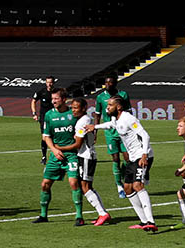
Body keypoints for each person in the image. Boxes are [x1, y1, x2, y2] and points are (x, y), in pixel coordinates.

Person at [86, 96, 157, 232]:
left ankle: (151, 221)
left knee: (137, 185)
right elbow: (110, 125)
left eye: (110, 105)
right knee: (127, 188)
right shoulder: (116, 119)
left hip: (142, 155)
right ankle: (143, 221)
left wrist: (144, 155)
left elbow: (145, 135)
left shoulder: (129, 118)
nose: (107, 108)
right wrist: (95, 127)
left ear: (118, 107)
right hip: (132, 157)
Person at [33, 88, 83, 225]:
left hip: (72, 155)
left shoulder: (73, 113)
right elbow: (46, 136)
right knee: (45, 184)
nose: (53, 101)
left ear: (64, 99)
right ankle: (43, 215)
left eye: (56, 98)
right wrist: (54, 150)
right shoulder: (49, 115)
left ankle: (79, 216)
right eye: (52, 98)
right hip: (56, 155)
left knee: (73, 183)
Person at [69, 97, 110, 226]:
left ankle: (102, 213)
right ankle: (102, 213)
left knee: (85, 186)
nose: (73, 110)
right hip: (85, 155)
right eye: (72, 108)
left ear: (83, 108)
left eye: (76, 108)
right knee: (87, 186)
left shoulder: (84, 121)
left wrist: (59, 148)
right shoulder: (83, 120)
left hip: (86, 156)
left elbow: (78, 144)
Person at [94, 75, 128, 197]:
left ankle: (123, 175)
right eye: (106, 83)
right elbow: (97, 115)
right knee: (116, 159)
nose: (108, 85)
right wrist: (95, 132)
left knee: (128, 159)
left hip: (123, 131)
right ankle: (119, 186)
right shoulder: (100, 97)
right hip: (110, 132)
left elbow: (128, 111)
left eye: (110, 83)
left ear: (115, 83)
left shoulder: (123, 95)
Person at [31, 76, 55, 165]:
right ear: (46, 83)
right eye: (48, 82)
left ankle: (56, 155)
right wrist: (34, 113)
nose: (49, 84)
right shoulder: (42, 92)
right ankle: (44, 156)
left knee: (55, 136)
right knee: (44, 137)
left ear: (53, 83)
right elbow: (33, 101)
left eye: (51, 82)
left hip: (54, 118)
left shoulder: (56, 93)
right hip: (44, 118)